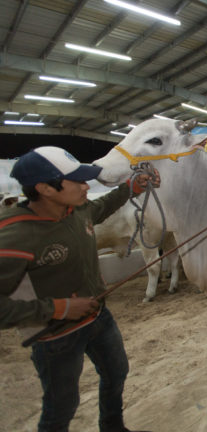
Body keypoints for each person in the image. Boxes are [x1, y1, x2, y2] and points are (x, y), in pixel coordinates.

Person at [0, 146, 158, 432]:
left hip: (98, 317)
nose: (87, 186)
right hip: (55, 337)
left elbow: (100, 208)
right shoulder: (13, 236)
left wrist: (131, 188)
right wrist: (59, 308)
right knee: (61, 406)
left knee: (117, 372)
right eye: (78, 181)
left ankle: (112, 427)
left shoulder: (75, 209)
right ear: (45, 188)